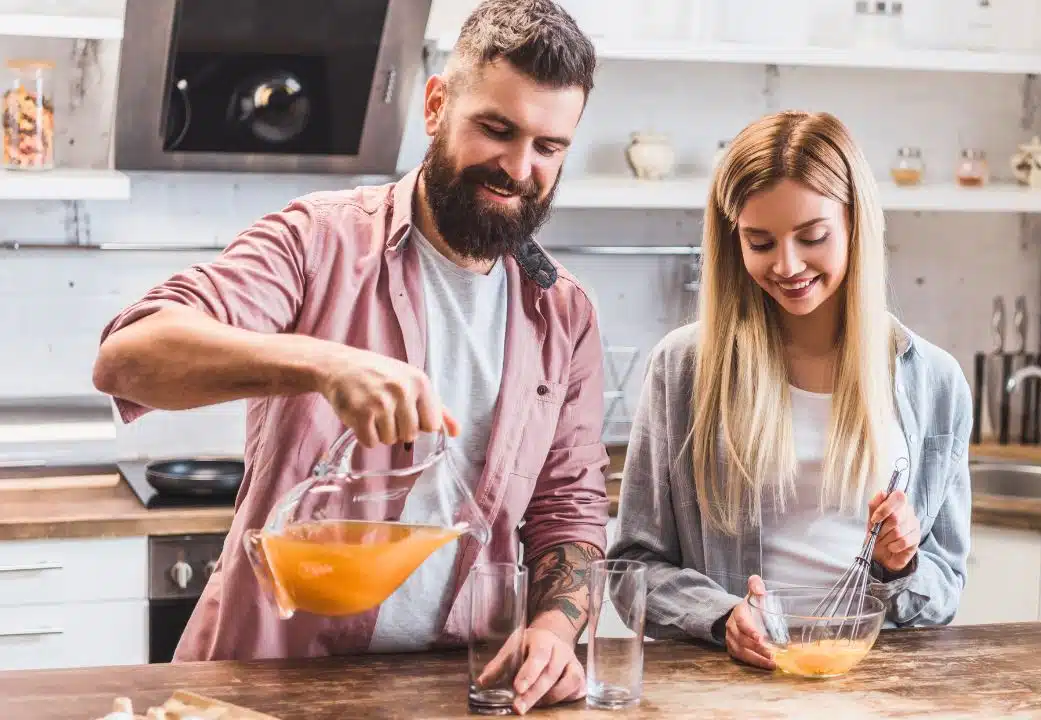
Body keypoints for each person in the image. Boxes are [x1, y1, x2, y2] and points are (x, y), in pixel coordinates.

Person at [93, 0, 607, 711]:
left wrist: (555, 627)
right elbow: (129, 356)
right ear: (435, 106)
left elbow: (569, 507)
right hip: (268, 684)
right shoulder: (317, 241)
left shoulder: (563, 312)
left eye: (549, 147)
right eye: (496, 129)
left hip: (453, 688)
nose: (519, 167)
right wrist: (323, 364)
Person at [607, 110, 972, 669]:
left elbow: (943, 589)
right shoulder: (681, 369)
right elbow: (635, 565)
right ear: (733, 243)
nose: (787, 264)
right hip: (729, 683)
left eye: (813, 237)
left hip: (876, 682)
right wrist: (723, 617)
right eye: (760, 242)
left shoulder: (935, 381)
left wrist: (900, 566)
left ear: (856, 225)